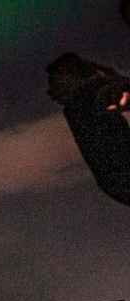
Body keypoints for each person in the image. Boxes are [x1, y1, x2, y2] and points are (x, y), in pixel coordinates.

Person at [47, 51, 130, 206]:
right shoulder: (82, 101)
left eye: (55, 82)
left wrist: (116, 85)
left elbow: (116, 94)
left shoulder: (88, 96)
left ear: (70, 78)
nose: (50, 91)